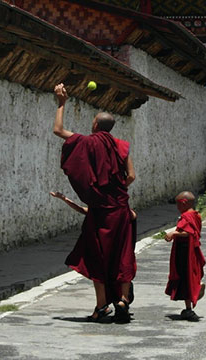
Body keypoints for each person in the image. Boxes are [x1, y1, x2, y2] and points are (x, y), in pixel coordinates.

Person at [52, 83, 136, 323]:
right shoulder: (121, 146)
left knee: (96, 256)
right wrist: (117, 191)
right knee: (123, 255)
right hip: (120, 209)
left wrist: (61, 103)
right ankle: (122, 300)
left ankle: (101, 306)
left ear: (96, 125)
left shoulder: (88, 142)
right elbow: (131, 176)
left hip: (99, 211)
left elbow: (58, 130)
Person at [164, 191, 206, 321]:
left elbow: (190, 233)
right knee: (187, 278)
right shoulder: (196, 215)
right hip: (190, 251)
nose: (177, 208)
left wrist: (173, 233)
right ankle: (188, 307)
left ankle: (196, 290)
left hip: (185, 253)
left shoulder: (187, 216)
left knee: (186, 278)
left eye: (178, 204)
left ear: (183, 203)